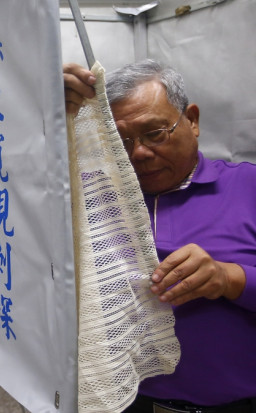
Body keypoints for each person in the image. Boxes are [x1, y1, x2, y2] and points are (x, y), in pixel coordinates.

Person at [64, 59, 256, 412]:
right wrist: (49, 115)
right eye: (121, 141)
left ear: (192, 120)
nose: (138, 152)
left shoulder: (247, 187)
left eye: (155, 133)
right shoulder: (91, 199)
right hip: (123, 401)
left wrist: (229, 277)